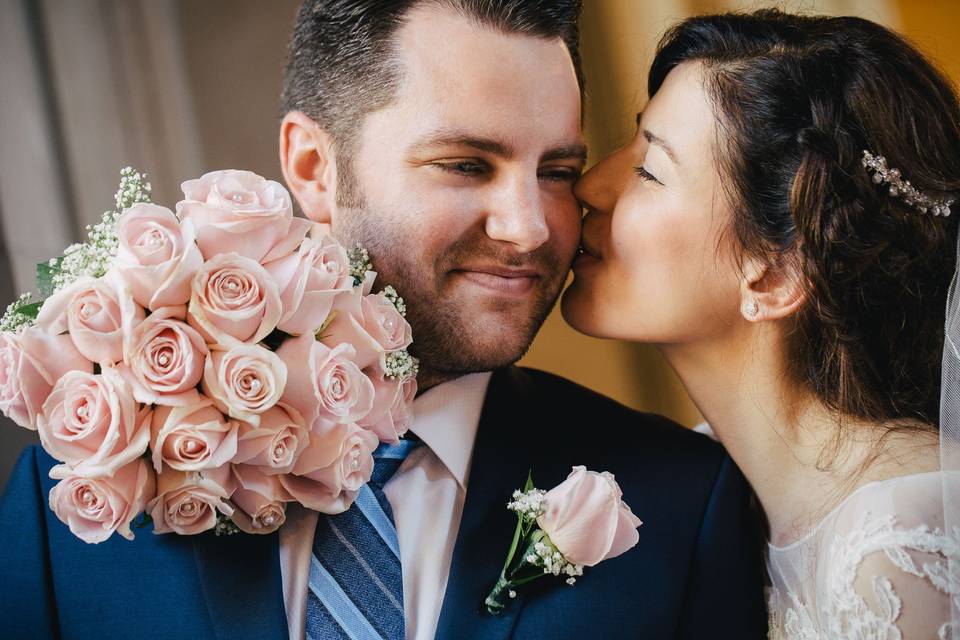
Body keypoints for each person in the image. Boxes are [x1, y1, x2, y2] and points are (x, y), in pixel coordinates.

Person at [0, 2, 768, 639]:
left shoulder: (679, 502)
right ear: (313, 168)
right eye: (467, 164)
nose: (530, 227)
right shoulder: (83, 487)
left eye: (557, 172)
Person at [562, 9, 960, 639]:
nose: (589, 185)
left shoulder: (904, 548)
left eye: (649, 169)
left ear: (774, 277)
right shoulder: (713, 487)